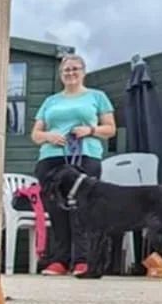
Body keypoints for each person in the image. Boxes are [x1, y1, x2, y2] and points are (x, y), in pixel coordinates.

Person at [31, 54, 116, 274]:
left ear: (83, 71)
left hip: (85, 155)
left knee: (83, 208)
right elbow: (35, 134)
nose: (70, 73)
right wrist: (49, 136)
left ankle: (83, 259)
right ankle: (59, 260)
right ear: (61, 74)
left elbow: (110, 129)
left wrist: (90, 130)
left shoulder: (97, 97)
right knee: (55, 208)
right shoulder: (51, 101)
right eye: (66, 70)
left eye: (75, 69)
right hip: (51, 158)